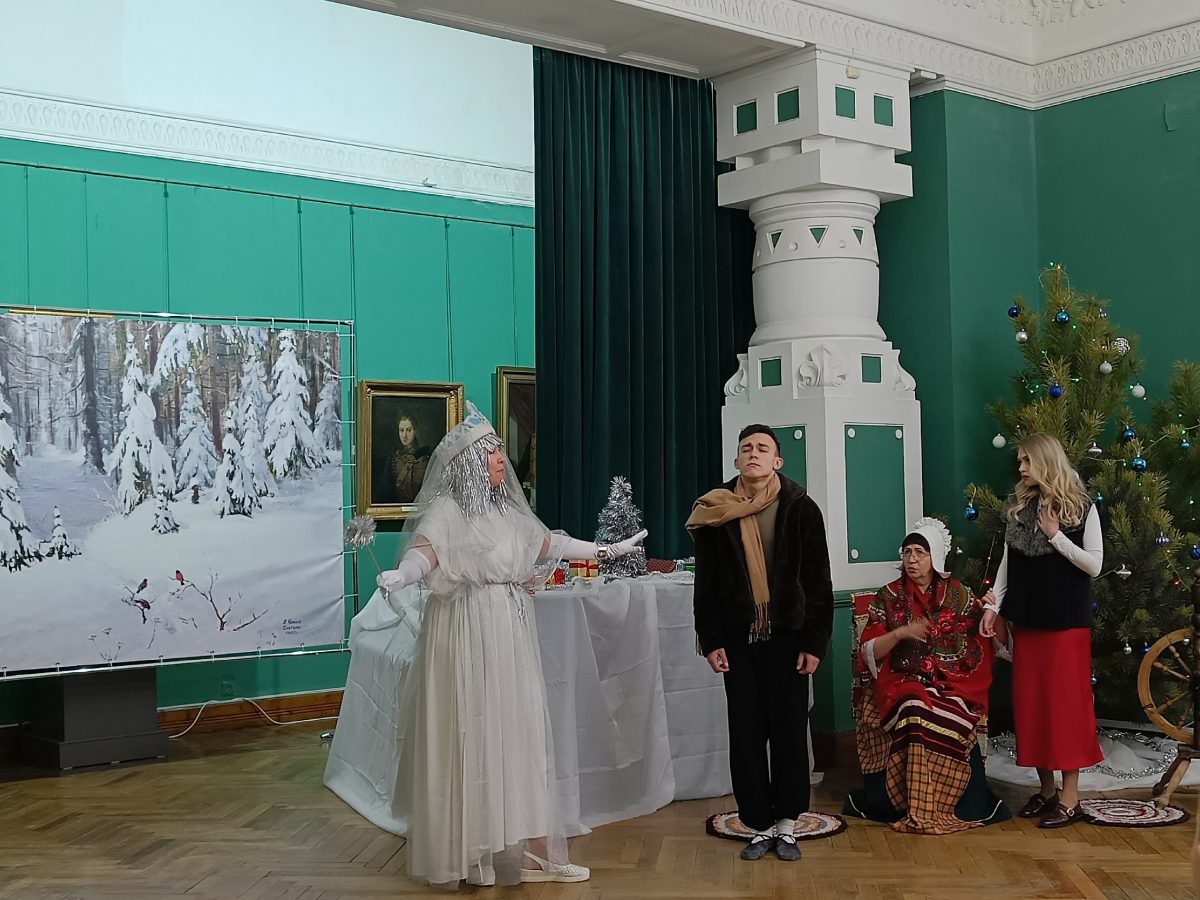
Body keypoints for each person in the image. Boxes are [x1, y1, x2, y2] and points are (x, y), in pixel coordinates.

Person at [373, 402, 646, 887]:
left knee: (518, 732)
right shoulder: (447, 512)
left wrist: (607, 550)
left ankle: (538, 852)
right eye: (493, 452)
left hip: (507, 630)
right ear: (470, 463)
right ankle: (469, 851)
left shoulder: (507, 513)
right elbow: (424, 555)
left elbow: (552, 545)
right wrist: (403, 574)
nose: (503, 459)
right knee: (470, 731)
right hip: (464, 630)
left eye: (501, 450)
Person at [687, 424, 833, 862]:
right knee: (746, 733)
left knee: (789, 731)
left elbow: (818, 581)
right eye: (746, 448)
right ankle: (759, 824)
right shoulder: (714, 510)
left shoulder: (801, 507)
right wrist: (711, 639)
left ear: (777, 461)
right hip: (738, 638)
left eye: (762, 448)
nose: (754, 453)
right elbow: (706, 584)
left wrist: (815, 643)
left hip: (789, 637)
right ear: (736, 461)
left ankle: (787, 824)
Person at [845, 518, 1010, 834]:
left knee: (944, 713)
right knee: (915, 710)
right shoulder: (888, 596)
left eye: (920, 552)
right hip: (900, 683)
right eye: (907, 552)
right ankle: (909, 804)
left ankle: (945, 805)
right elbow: (870, 650)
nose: (912, 559)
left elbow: (992, 640)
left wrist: (993, 611)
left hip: (953, 686)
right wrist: (901, 633)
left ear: (936, 556)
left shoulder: (960, 595)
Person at [980, 431, 1103, 829]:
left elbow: (1094, 565)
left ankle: (1071, 798)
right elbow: (1007, 564)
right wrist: (994, 607)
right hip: (1028, 622)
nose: (1020, 467)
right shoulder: (1019, 508)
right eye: (1020, 461)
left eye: (1026, 461)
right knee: (1033, 706)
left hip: (1066, 625)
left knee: (1065, 708)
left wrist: (1055, 535)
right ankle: (1047, 791)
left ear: (1045, 461)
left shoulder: (1081, 507)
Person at [386, 412, 430, 504]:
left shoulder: (426, 459)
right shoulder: (392, 460)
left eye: (409, 430)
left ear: (415, 431)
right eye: (401, 430)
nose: (405, 435)